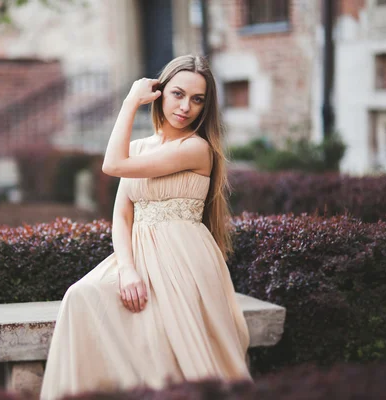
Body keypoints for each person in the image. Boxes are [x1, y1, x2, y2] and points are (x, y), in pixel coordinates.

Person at [40, 55, 252, 400]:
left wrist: (128, 102)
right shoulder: (139, 148)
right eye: (178, 94)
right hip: (138, 255)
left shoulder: (197, 148)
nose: (185, 107)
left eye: (197, 99)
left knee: (165, 342)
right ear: (161, 93)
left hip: (182, 257)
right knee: (81, 296)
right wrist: (127, 268)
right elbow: (122, 215)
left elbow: (112, 164)